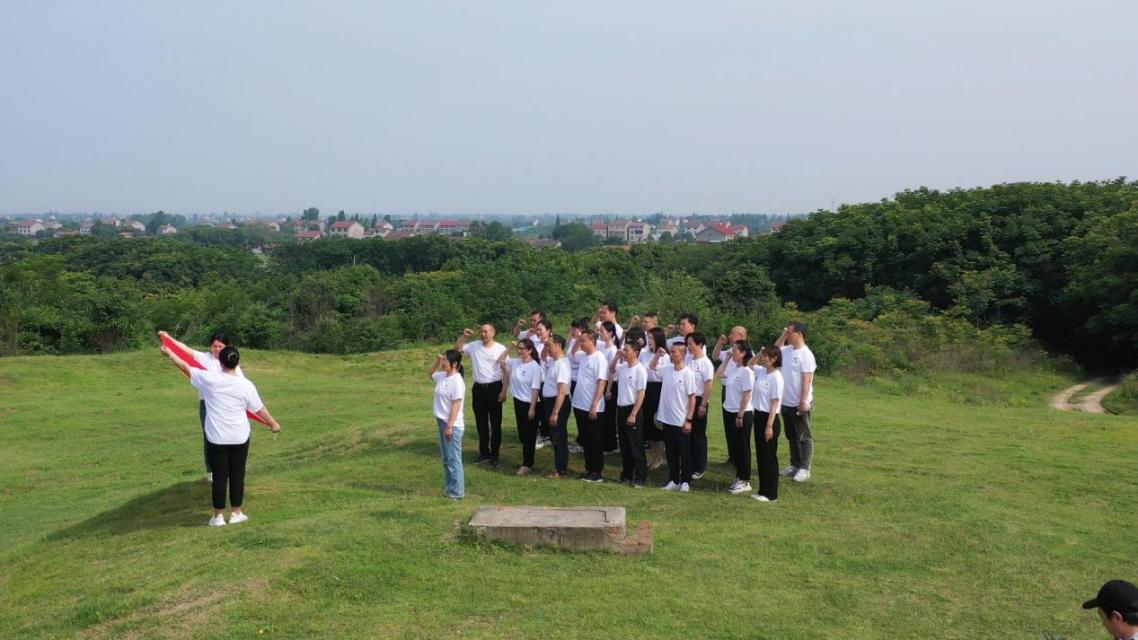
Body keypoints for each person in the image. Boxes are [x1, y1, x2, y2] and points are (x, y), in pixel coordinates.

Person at [161, 343, 280, 526]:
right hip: (239, 437)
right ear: (237, 362)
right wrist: (273, 423)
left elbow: (185, 366)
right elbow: (259, 409)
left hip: (216, 438)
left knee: (219, 476)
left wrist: (170, 353)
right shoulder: (246, 385)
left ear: (220, 363)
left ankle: (218, 517)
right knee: (237, 475)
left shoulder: (210, 379)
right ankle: (236, 514)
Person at [157, 330, 244, 484]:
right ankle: (211, 471)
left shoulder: (231, 361)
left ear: (226, 346)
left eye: (220, 346)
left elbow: (241, 383)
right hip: (207, 404)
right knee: (209, 437)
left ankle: (228, 469)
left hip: (226, 404)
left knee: (226, 436)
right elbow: (184, 349)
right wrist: (168, 338)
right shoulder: (204, 358)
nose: (217, 349)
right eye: (214, 346)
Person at [454, 324, 507, 467]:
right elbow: (457, 349)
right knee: (481, 423)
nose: (483, 334)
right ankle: (484, 453)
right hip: (478, 389)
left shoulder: (500, 348)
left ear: (493, 332)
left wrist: (503, 391)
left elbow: (506, 371)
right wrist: (464, 336)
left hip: (495, 387)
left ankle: (495, 455)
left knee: (495, 424)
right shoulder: (474, 346)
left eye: (486, 331)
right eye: (481, 331)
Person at [775, 321, 817, 482]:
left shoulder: (806, 355)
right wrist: (783, 335)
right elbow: (774, 349)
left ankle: (805, 468)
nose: (787, 335)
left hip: (799, 402)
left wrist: (803, 401)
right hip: (785, 401)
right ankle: (795, 464)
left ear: (799, 334)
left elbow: (807, 380)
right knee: (791, 435)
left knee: (804, 436)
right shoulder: (786, 350)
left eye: (790, 333)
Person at [654, 342, 697, 492]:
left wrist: (689, 420)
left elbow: (692, 398)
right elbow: (652, 367)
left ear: (683, 354)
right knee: (671, 452)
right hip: (667, 419)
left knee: (684, 452)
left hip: (681, 420)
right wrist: (657, 355)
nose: (671, 354)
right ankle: (674, 480)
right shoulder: (667, 369)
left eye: (674, 352)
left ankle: (685, 481)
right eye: (670, 351)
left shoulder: (688, 374)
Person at [571, 329, 608, 483]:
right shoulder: (583, 356)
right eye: (580, 341)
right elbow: (573, 353)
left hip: (592, 406)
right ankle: (589, 469)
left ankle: (596, 472)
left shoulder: (599, 358)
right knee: (585, 440)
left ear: (592, 341)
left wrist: (594, 405)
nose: (581, 343)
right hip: (579, 404)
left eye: (583, 341)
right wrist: (577, 338)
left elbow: (602, 383)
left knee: (595, 441)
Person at [719, 340, 755, 495]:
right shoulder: (733, 367)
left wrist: (740, 415)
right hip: (729, 410)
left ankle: (745, 480)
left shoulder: (747, 371)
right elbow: (719, 374)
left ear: (743, 353)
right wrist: (727, 358)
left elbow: (747, 394)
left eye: (734, 351)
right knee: (735, 447)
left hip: (741, 413)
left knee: (743, 447)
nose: (731, 352)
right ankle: (739, 476)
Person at [502, 339, 543, 476]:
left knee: (529, 436)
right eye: (518, 348)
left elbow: (536, 389)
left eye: (522, 349)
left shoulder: (535, 367)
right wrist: (510, 347)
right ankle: (526, 461)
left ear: (530, 350)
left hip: (531, 403)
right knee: (522, 435)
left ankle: (527, 465)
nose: (519, 351)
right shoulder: (515, 362)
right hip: (518, 402)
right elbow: (500, 361)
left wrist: (532, 408)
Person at [430, 350, 466, 500]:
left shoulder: (457, 381)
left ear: (455, 364)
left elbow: (456, 405)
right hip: (441, 422)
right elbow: (430, 373)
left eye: (445, 360)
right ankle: (450, 489)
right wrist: (436, 361)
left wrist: (450, 426)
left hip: (452, 424)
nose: (443, 362)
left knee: (453, 459)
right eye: (443, 360)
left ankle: (457, 492)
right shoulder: (442, 376)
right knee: (446, 459)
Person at [749, 346, 784, 502]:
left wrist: (769, 426)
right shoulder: (762, 372)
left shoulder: (777, 377)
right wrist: (759, 352)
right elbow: (750, 364)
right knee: (761, 455)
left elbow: (774, 404)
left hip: (770, 418)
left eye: (766, 356)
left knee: (769, 456)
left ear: (774, 359)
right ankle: (762, 490)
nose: (763, 359)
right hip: (758, 416)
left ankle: (771, 494)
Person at [614, 337, 648, 487]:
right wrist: (617, 357)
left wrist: (634, 413)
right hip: (621, 408)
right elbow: (611, 369)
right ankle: (627, 474)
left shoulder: (640, 370)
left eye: (627, 350)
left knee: (635, 445)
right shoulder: (623, 368)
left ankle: (641, 476)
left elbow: (641, 393)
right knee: (624, 445)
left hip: (632, 408)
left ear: (635, 353)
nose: (624, 352)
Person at [713, 326, 748, 466]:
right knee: (728, 425)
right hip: (726, 389)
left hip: (740, 392)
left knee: (739, 427)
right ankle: (732, 455)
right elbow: (715, 356)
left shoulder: (747, 353)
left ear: (740, 335)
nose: (729, 336)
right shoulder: (730, 351)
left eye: (732, 334)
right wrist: (720, 344)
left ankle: (740, 458)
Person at [540, 334, 573, 478]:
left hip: (557, 403)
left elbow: (562, 390)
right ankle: (559, 466)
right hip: (551, 402)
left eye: (549, 345)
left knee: (558, 436)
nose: (547, 348)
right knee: (555, 436)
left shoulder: (562, 365)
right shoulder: (554, 361)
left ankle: (560, 469)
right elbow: (542, 356)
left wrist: (555, 412)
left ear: (558, 345)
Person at [685, 331, 715, 480]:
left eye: (691, 344)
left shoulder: (706, 363)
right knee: (687, 433)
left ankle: (699, 466)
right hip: (686, 400)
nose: (688, 347)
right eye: (688, 344)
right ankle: (688, 463)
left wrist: (703, 404)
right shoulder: (688, 359)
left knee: (698, 434)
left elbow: (708, 385)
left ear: (700, 345)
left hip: (699, 401)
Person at [642, 326, 668, 470]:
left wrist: (657, 356)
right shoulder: (644, 354)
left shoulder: (666, 357)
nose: (649, 341)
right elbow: (643, 370)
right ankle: (653, 455)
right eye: (648, 338)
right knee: (648, 425)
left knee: (658, 424)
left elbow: (660, 373)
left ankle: (659, 456)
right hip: (647, 388)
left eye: (651, 338)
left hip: (660, 390)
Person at [598, 321, 622, 453]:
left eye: (602, 331)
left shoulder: (613, 350)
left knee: (609, 414)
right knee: (602, 413)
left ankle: (610, 444)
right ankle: (603, 441)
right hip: (603, 382)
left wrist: (608, 390)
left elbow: (613, 371)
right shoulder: (602, 347)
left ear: (610, 333)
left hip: (610, 384)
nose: (600, 333)